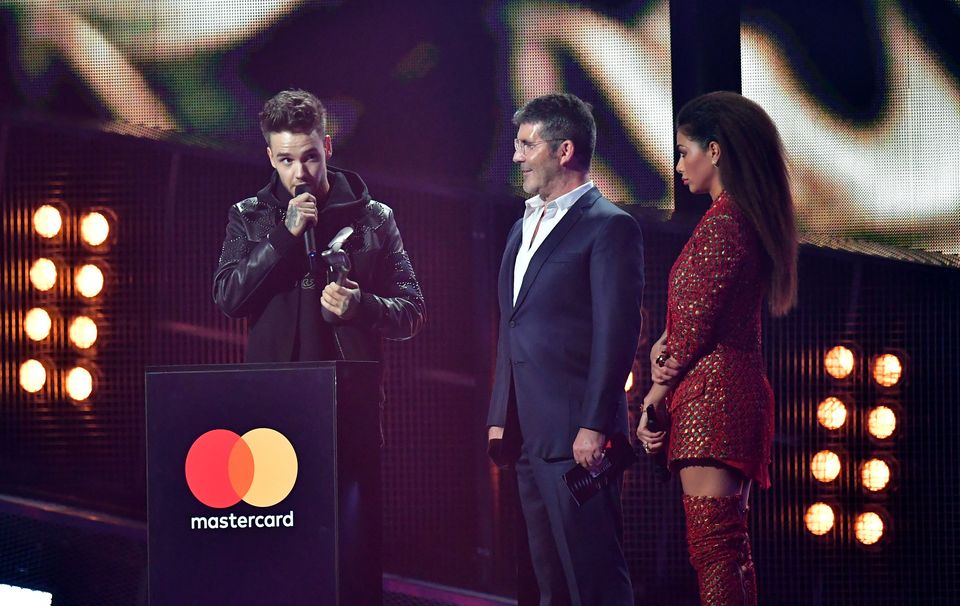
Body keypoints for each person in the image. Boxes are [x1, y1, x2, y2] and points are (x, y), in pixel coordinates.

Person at [637, 91, 798, 605]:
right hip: (732, 395)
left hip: (714, 402)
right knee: (728, 552)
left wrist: (652, 403)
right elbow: (682, 327)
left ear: (716, 150)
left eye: (685, 152)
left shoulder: (724, 226)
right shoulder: (739, 221)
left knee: (715, 551)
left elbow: (685, 338)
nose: (680, 165)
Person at [486, 93, 644, 605]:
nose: (516, 157)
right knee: (548, 581)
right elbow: (512, 327)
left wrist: (595, 425)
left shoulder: (609, 226)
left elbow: (617, 334)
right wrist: (499, 415)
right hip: (529, 436)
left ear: (564, 150)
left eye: (527, 145)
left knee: (593, 578)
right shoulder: (521, 226)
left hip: (579, 438)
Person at [212, 88, 424, 392]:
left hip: (348, 398)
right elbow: (228, 298)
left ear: (326, 147)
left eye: (309, 157)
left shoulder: (374, 218)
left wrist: (361, 305)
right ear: (270, 157)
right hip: (272, 397)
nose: (299, 173)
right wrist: (284, 236)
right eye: (286, 160)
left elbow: (412, 312)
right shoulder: (248, 215)